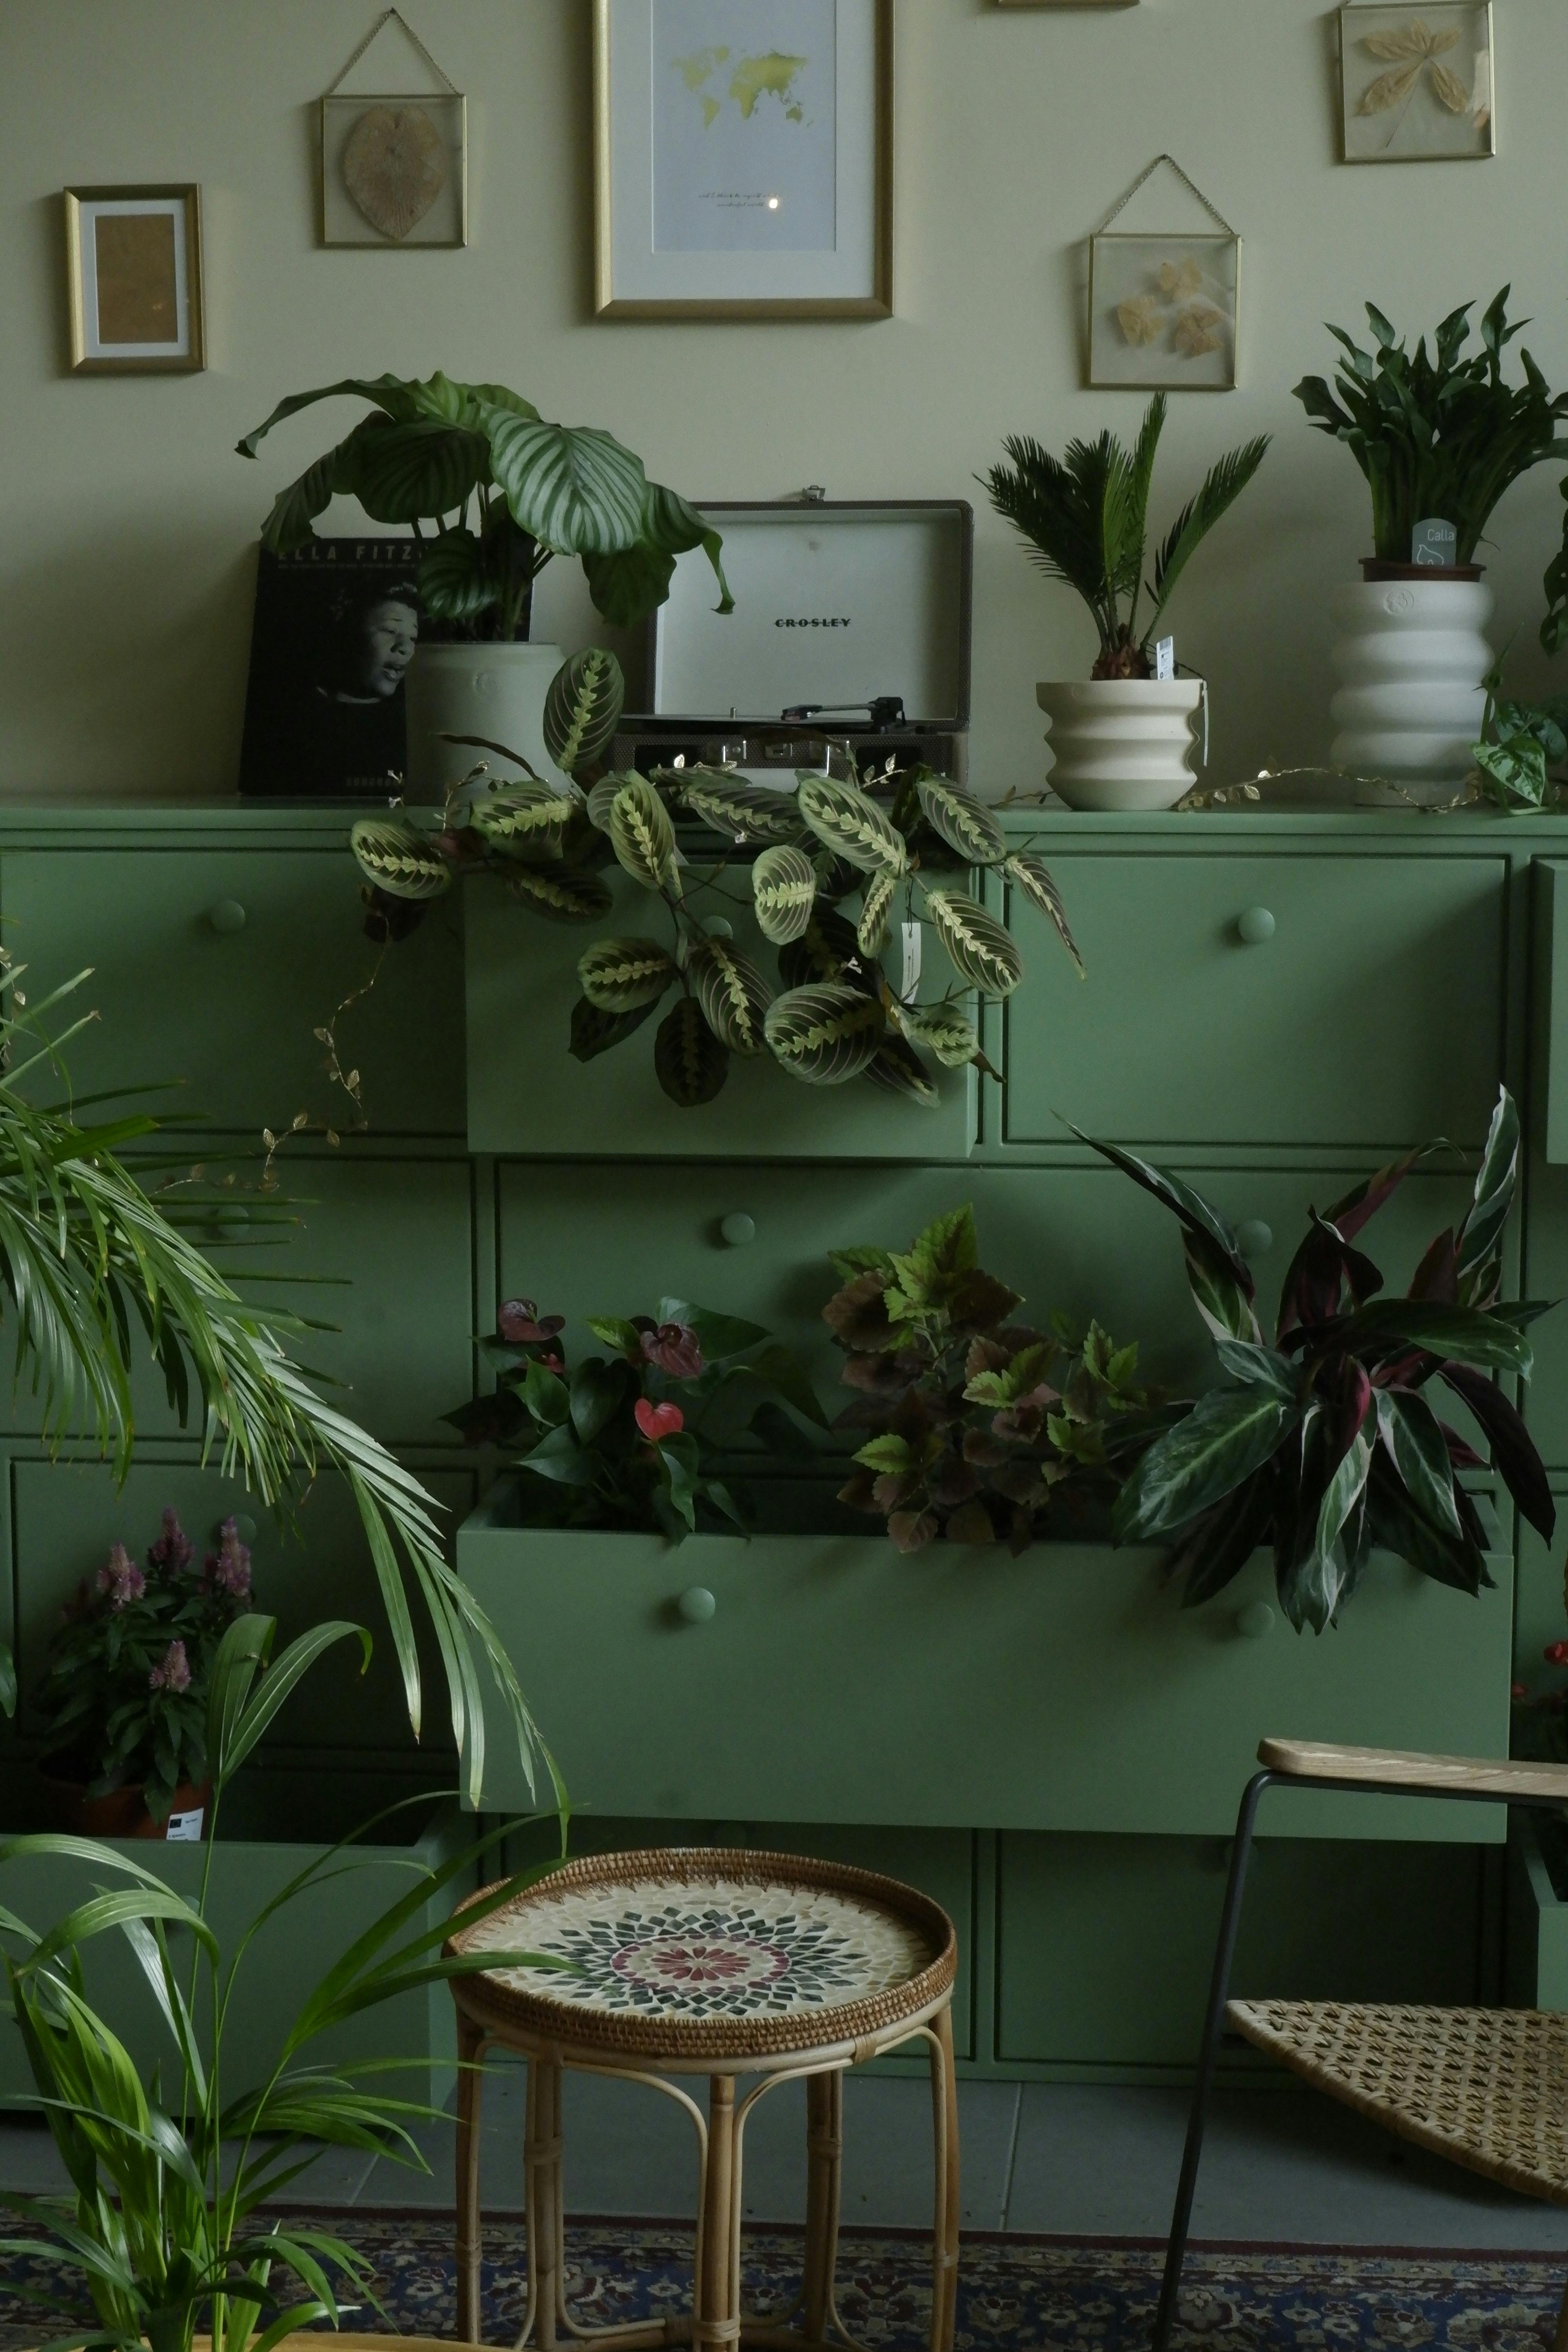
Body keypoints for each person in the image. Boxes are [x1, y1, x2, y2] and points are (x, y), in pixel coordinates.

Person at [242, 566, 420, 797]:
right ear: (349, 627)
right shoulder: (286, 718)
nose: (406, 647)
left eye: (413, 637)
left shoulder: (411, 726)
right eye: (390, 630)